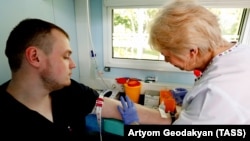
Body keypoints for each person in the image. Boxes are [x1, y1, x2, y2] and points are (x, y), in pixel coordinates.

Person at [0, 18, 170, 140]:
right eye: (66, 56)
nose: (73, 64)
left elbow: (113, 107)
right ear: (35, 57)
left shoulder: (66, 90)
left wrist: (172, 119)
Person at [118, 0, 250, 124]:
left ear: (192, 52)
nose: (166, 60)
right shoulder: (242, 52)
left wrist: (134, 124)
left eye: (167, 55)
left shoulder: (212, 95)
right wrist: (192, 99)